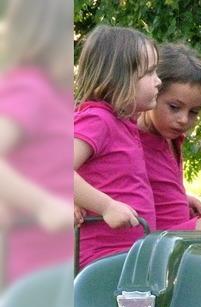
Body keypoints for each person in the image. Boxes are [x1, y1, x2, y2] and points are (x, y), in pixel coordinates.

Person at [74, 25, 160, 269]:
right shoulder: (98, 120)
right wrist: (106, 206)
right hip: (102, 260)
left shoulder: (122, 123)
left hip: (128, 255)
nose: (158, 81)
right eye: (150, 72)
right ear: (120, 76)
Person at [0, 0, 74, 285]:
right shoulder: (29, 87)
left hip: (57, 259)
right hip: (32, 263)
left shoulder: (54, 93)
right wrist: (42, 204)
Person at [137, 43, 201, 232]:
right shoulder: (132, 139)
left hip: (174, 237)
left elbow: (153, 186)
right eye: (174, 107)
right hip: (153, 241)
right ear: (152, 93)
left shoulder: (171, 139)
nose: (183, 120)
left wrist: (180, 198)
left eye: (194, 112)